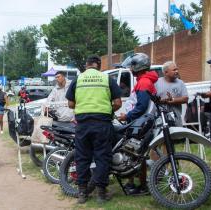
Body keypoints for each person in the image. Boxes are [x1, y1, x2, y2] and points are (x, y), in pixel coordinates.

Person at [66, 55, 122, 204]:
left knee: (82, 158)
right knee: (102, 157)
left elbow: (71, 104)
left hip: (83, 124)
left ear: (86, 65)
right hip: (102, 124)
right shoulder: (106, 79)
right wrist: (108, 109)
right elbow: (118, 102)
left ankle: (82, 193)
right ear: (99, 65)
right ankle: (101, 194)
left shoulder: (78, 79)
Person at [118, 53, 158, 195]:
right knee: (134, 154)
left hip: (139, 124)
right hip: (139, 123)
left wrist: (127, 116)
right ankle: (133, 183)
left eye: (132, 66)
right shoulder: (144, 80)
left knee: (135, 154)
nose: (130, 69)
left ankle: (140, 186)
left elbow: (141, 106)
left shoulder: (144, 82)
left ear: (138, 66)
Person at [155, 61, 188, 126]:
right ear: (166, 72)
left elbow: (185, 99)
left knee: (177, 136)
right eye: (174, 70)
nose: (177, 71)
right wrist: (161, 100)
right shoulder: (156, 83)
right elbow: (152, 99)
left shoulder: (180, 83)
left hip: (176, 119)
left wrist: (172, 100)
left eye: (177, 69)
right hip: (160, 118)